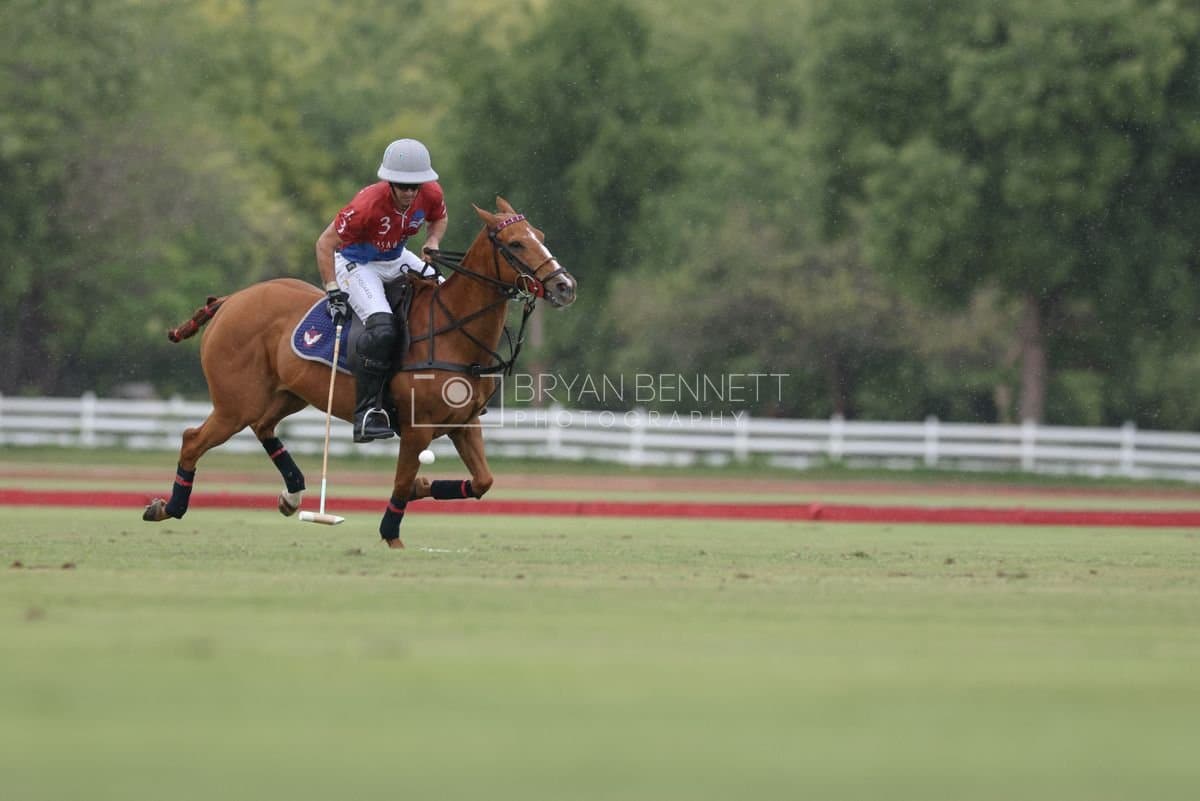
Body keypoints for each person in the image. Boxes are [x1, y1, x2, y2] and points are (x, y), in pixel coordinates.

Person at [316, 138, 448, 443]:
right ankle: (367, 413)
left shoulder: (431, 193)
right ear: (390, 182)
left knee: (446, 298)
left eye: (414, 186)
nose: (408, 192)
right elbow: (325, 243)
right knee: (383, 328)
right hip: (356, 262)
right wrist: (332, 288)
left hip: (396, 257)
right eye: (402, 185)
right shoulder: (367, 204)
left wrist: (432, 241)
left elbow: (439, 218)